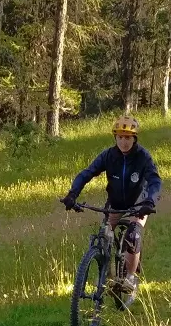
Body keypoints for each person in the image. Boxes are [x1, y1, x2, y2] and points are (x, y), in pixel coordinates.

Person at [61, 115, 162, 293]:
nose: (124, 142)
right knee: (104, 235)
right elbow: (87, 173)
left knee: (133, 235)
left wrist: (150, 201)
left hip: (139, 204)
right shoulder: (108, 156)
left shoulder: (142, 157)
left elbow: (154, 181)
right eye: (120, 137)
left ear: (134, 138)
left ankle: (130, 279)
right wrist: (72, 194)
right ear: (115, 138)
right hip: (115, 203)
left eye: (128, 137)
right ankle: (106, 278)